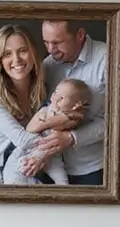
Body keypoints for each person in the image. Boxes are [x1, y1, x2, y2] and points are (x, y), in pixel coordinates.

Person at [0, 25, 79, 184]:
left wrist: (66, 126)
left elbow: (53, 130)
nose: (16, 59)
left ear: (33, 53)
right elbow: (21, 138)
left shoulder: (43, 88)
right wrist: (54, 140)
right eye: (7, 54)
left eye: (23, 51)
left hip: (29, 166)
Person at [19, 20, 108, 186]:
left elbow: (118, 122)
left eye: (57, 42)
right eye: (46, 42)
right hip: (47, 167)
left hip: (91, 169)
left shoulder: (107, 60)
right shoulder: (48, 65)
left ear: (80, 35)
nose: (50, 49)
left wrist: (72, 138)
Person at [3, 78, 90, 186]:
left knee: (62, 179)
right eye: (55, 92)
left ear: (75, 105)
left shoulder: (74, 118)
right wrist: (50, 121)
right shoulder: (46, 110)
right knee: (18, 169)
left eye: (62, 98)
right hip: (32, 149)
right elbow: (31, 129)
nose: (55, 98)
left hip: (53, 156)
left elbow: (72, 129)